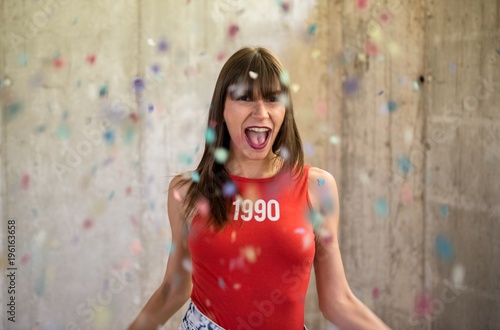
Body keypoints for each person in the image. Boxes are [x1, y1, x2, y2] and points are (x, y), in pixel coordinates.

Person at [128, 46, 390, 330]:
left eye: (273, 98)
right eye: (244, 98)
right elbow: (173, 288)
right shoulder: (187, 192)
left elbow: (337, 301)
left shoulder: (318, 188)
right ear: (222, 109)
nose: (261, 111)